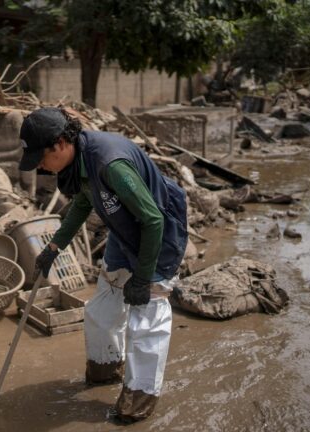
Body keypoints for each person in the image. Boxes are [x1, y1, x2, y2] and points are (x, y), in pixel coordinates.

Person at [18, 107, 188, 424]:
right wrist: (55, 246)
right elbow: (84, 201)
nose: (40, 167)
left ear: (58, 144)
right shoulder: (80, 161)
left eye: (41, 158)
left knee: (146, 320)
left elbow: (153, 220)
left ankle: (139, 398)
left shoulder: (110, 164)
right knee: (101, 310)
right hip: (124, 232)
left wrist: (141, 279)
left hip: (157, 235)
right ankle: (105, 368)